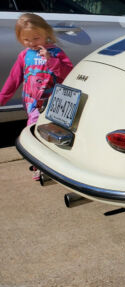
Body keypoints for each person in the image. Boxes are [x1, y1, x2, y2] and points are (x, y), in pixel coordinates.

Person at [0, 13, 73, 178]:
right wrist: (2, 98)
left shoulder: (56, 53)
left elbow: (69, 74)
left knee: (50, 133)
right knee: (35, 131)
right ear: (20, 39)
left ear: (47, 33)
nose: (32, 43)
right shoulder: (25, 55)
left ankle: (47, 165)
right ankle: (41, 164)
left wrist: (51, 61)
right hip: (33, 104)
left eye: (36, 38)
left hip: (54, 103)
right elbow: (14, 79)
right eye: (27, 40)